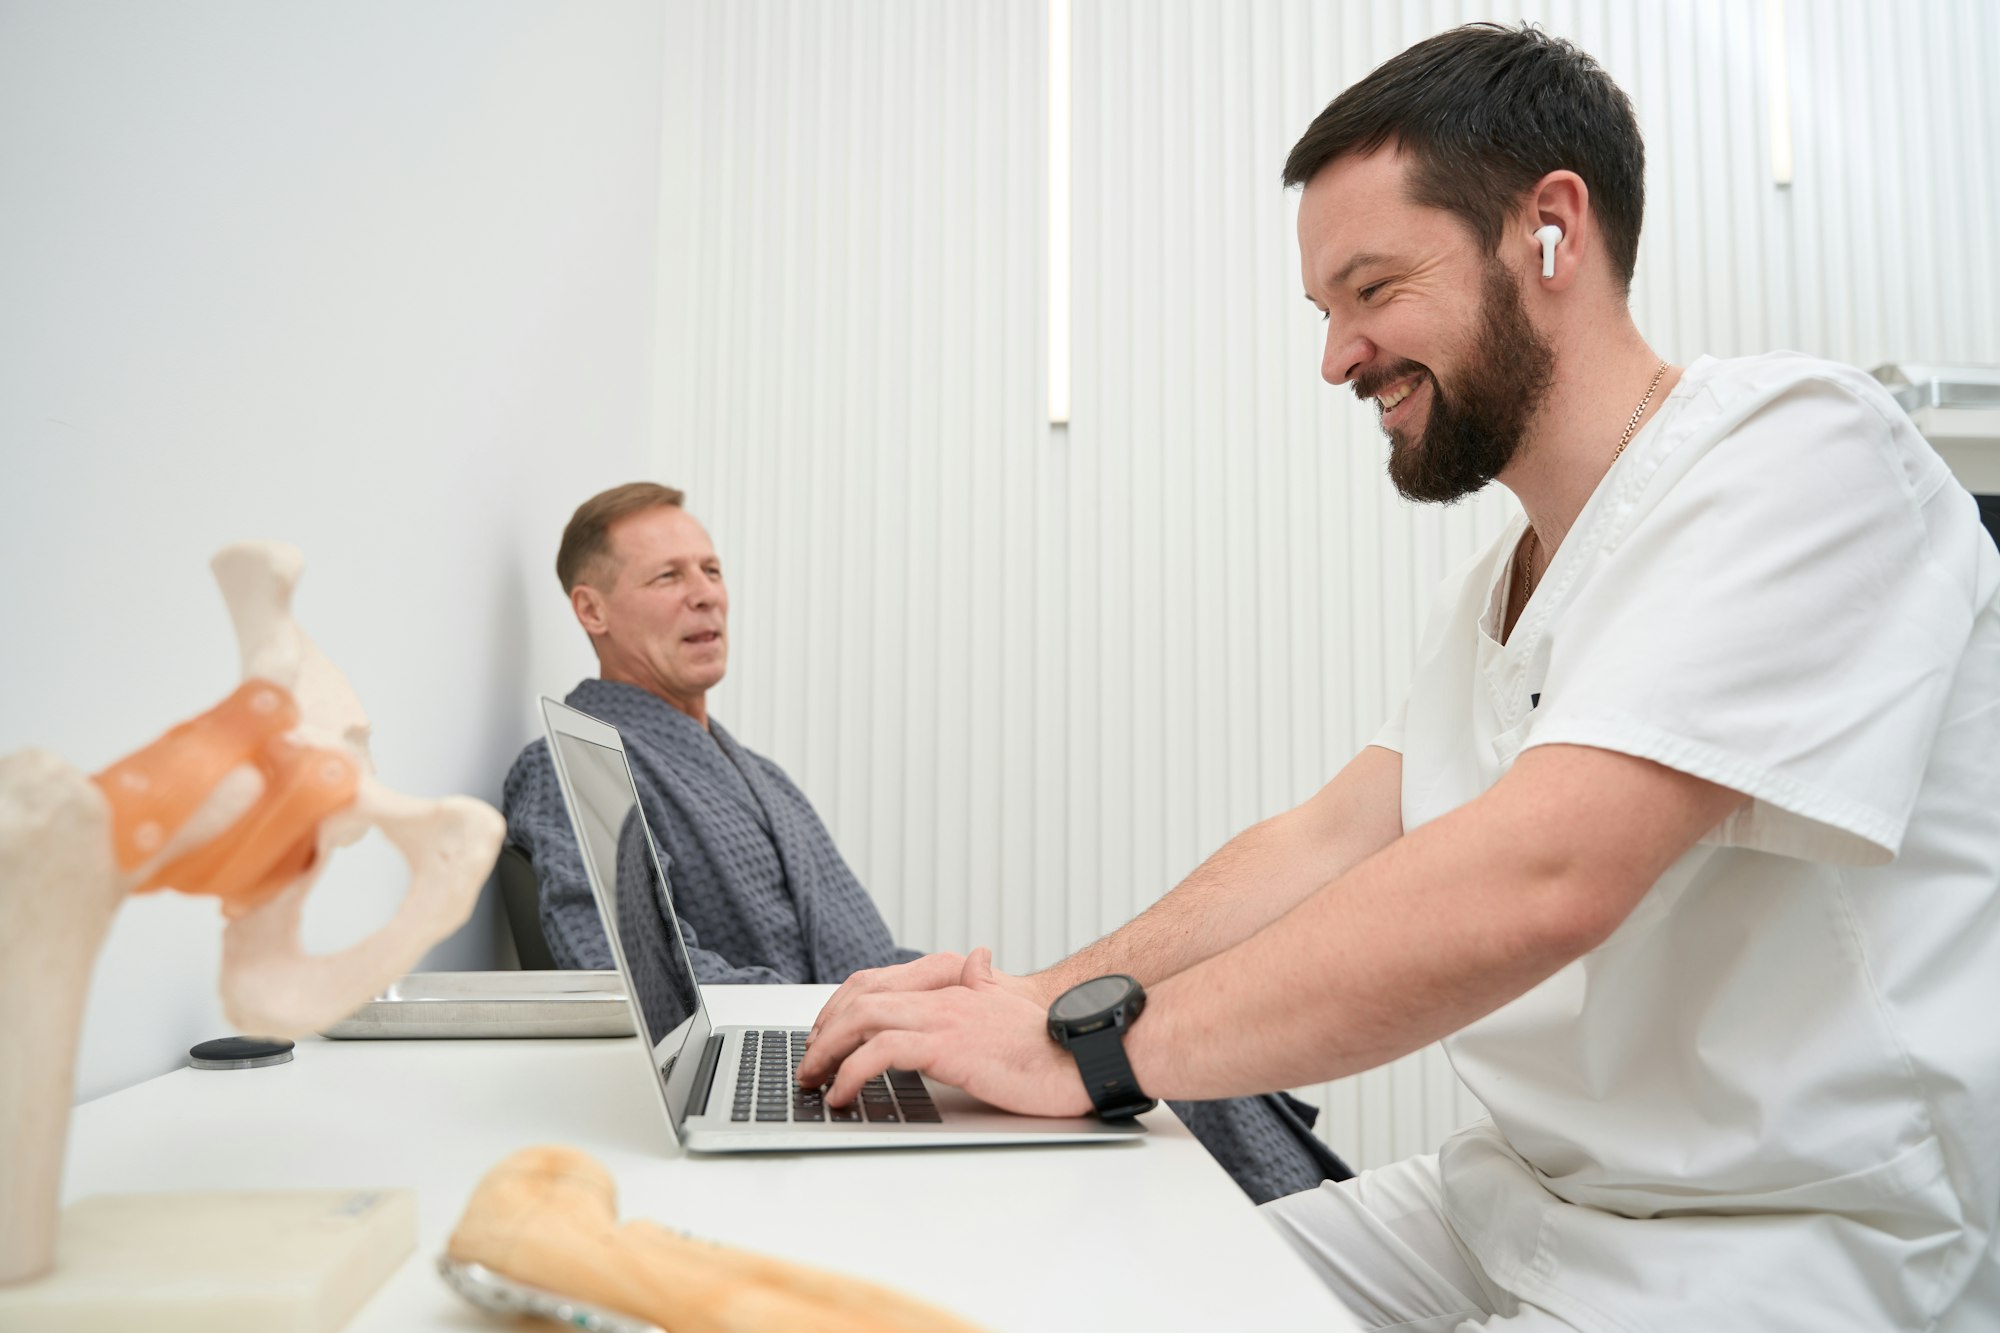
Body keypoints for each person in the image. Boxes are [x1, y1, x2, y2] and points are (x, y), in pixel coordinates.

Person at [798, 23, 2000, 1331]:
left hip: (1786, 1241)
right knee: (1061, 1294)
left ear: (1550, 228)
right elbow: (1331, 840)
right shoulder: (1499, 585)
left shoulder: (1801, 452)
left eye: (1373, 290)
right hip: (1509, 1205)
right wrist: (1036, 996)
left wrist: (1094, 1054)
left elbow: (1546, 878)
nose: (1338, 357)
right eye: (1325, 312)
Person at [502, 482, 1353, 1203]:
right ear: (591, 608)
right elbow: (617, 970)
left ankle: (1322, 1267)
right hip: (822, 1062)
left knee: (1151, 1024)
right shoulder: (567, 765)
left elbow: (861, 952)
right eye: (668, 575)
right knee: (1148, 1073)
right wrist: (872, 1014)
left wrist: (977, 993)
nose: (706, 593)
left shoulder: (755, 767)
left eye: (713, 570)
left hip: (863, 1042)